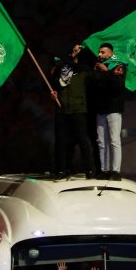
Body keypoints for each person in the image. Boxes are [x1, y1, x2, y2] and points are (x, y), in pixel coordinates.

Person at [49, 45, 95, 179]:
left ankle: (89, 170)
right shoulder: (61, 69)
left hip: (79, 109)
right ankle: (62, 170)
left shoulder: (85, 70)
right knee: (62, 142)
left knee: (83, 140)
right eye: (75, 49)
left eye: (79, 49)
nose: (76, 51)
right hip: (62, 109)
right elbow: (55, 85)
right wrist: (54, 93)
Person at [91, 42, 127, 180]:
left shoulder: (118, 65)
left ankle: (116, 171)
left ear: (111, 53)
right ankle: (104, 170)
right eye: (99, 52)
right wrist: (103, 72)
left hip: (113, 108)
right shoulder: (97, 67)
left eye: (103, 52)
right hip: (100, 109)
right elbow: (94, 84)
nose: (99, 54)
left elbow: (117, 87)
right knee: (101, 141)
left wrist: (107, 71)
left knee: (114, 140)